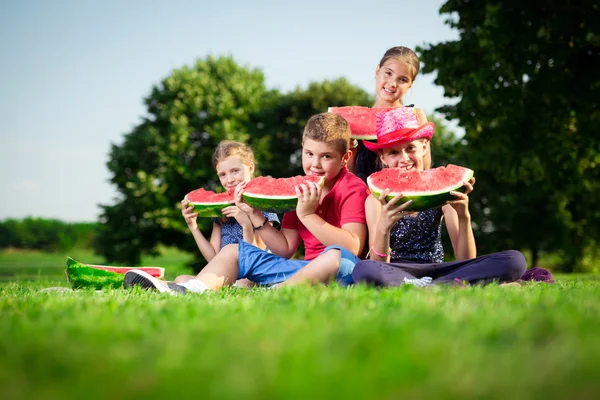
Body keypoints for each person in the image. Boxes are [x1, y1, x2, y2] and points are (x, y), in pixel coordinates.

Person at [124, 113, 369, 293]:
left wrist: (307, 215)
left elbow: (352, 246)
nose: (315, 164)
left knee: (335, 255)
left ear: (345, 157)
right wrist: (256, 217)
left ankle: (276, 292)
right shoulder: (298, 188)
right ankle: (191, 289)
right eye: (309, 154)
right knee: (234, 250)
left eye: (326, 156)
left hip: (339, 272)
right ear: (302, 149)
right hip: (301, 270)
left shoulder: (352, 188)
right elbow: (285, 249)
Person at [351, 107, 527, 287]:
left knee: (514, 260)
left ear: (424, 147)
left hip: (438, 268)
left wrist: (463, 216)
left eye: (411, 148)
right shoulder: (375, 201)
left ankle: (425, 286)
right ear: (382, 157)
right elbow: (378, 263)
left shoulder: (442, 194)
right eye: (393, 152)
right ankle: (448, 285)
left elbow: (465, 259)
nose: (404, 159)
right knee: (364, 270)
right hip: (396, 270)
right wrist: (384, 228)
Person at [176, 140, 279, 286]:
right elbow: (213, 258)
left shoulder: (264, 205)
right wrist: (193, 227)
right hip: (227, 274)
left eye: (235, 171)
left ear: (250, 168)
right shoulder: (220, 211)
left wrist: (245, 223)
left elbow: (256, 257)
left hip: (254, 272)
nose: (229, 180)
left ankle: (203, 288)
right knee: (181, 279)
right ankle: (179, 287)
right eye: (222, 175)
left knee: (244, 282)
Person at [348, 46, 432, 182]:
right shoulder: (353, 123)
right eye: (388, 73)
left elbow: (423, 171)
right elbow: (349, 174)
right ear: (377, 70)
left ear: (410, 84)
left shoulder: (417, 116)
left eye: (402, 79)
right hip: (364, 200)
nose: (393, 83)